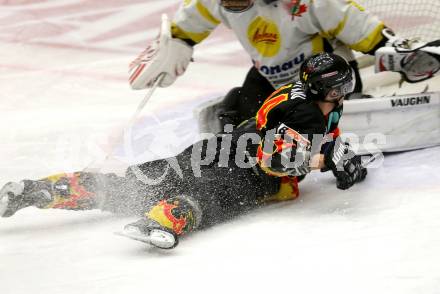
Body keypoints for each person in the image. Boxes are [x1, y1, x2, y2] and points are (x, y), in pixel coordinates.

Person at [1, 53, 367, 249]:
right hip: (245, 172)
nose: (343, 96)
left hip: (214, 149)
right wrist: (327, 157)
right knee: (207, 199)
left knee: (133, 185)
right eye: (341, 89)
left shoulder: (294, 94)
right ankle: (160, 221)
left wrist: (335, 154)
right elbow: (275, 161)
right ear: (330, 91)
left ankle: (40, 190)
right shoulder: (308, 116)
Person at [129, 0, 390, 126]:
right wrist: (174, 45)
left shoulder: (308, 3)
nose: (229, 3)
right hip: (270, 77)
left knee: (300, 116)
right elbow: (184, 29)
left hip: (325, 81)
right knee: (233, 113)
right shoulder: (213, 1)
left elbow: (365, 32)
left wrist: (399, 52)